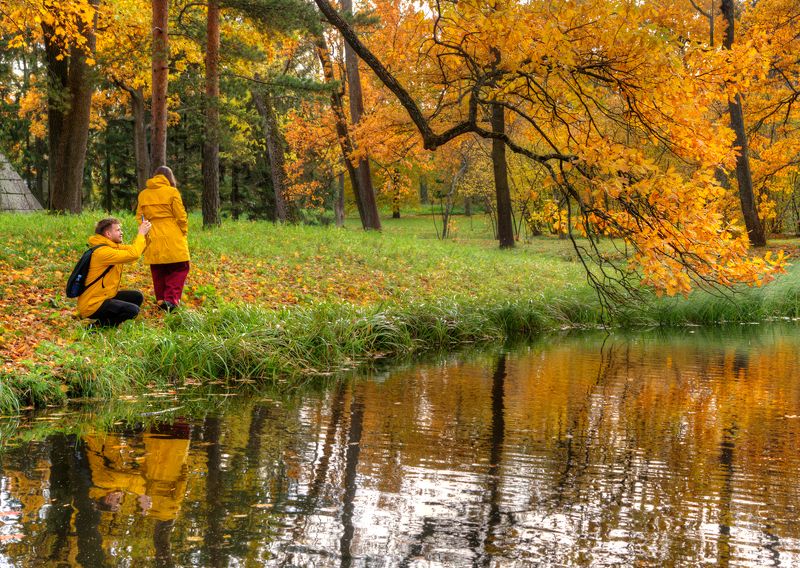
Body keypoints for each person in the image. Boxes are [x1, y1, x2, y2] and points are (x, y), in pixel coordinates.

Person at [78, 217, 152, 327]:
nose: (121, 232)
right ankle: (97, 327)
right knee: (132, 310)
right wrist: (140, 233)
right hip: (92, 304)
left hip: (104, 297)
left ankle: (107, 320)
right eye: (118, 230)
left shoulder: (113, 247)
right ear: (108, 234)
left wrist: (145, 234)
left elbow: (137, 249)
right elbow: (134, 254)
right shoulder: (103, 252)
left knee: (136, 297)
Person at [136, 166, 190, 312]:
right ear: (170, 177)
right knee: (180, 267)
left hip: (152, 233)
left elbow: (140, 217)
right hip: (172, 233)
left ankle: (161, 300)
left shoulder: (143, 194)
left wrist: (145, 231)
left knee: (158, 268)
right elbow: (181, 215)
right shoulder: (172, 192)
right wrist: (183, 231)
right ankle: (171, 300)